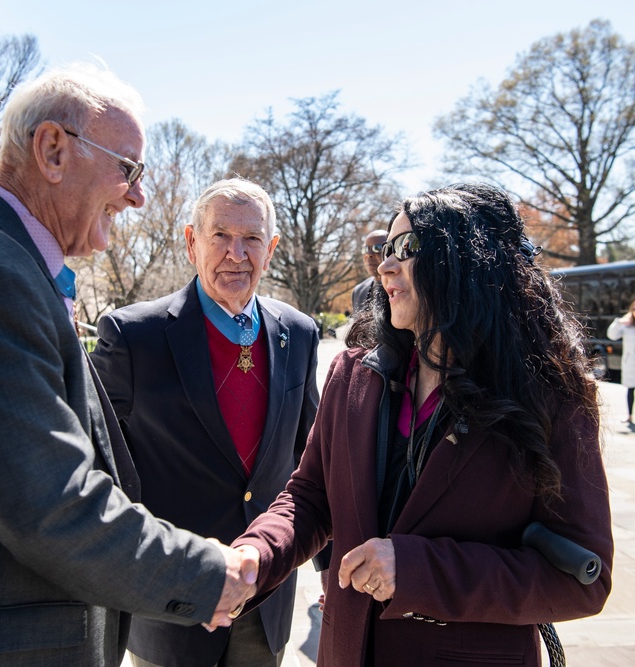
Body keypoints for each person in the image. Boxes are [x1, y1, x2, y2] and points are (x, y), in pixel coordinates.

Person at [0, 64, 257, 666]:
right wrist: (206, 575)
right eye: (130, 169)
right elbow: (54, 505)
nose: (139, 195)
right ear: (52, 151)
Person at [232, 183, 613, 666]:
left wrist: (416, 570)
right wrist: (254, 556)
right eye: (386, 249)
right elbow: (309, 498)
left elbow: (584, 579)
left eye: (408, 249)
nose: (385, 265)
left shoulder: (552, 397)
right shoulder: (353, 373)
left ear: (467, 263)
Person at [91, 178, 320, 667]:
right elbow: (101, 468)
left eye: (252, 238)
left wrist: (330, 565)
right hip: (171, 605)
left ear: (271, 248)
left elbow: (310, 460)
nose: (236, 253)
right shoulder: (133, 336)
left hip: (266, 599)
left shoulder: (298, 334)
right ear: (192, 241)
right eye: (220, 236)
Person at [350, 228, 389, 315]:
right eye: (366, 249)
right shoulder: (358, 292)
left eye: (377, 248)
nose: (369, 254)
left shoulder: (402, 287)